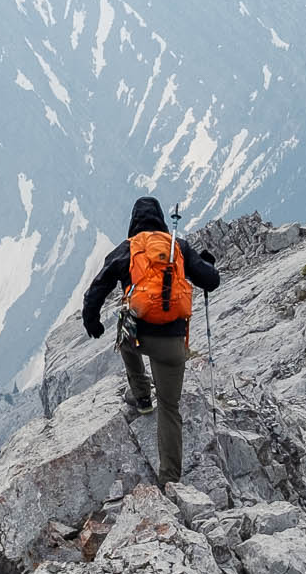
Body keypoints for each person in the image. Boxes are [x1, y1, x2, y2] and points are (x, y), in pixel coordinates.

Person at [82, 196, 220, 484]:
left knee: (124, 324)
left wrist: (92, 321)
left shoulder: (128, 249)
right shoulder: (176, 247)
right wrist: (206, 264)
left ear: (133, 222)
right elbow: (211, 280)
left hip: (139, 339)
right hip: (172, 344)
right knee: (170, 409)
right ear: (159, 219)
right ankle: (170, 479)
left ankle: (142, 395)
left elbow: (96, 290)